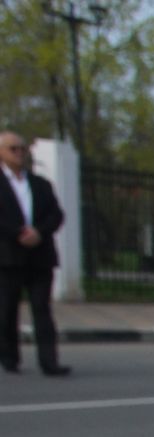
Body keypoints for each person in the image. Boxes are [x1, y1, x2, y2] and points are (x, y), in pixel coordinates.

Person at [0, 130, 69, 376]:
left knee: (42, 309)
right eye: (13, 149)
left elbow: (57, 215)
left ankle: (49, 361)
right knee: (7, 309)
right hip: (8, 257)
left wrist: (38, 232)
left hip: (40, 256)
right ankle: (9, 357)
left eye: (22, 148)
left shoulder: (40, 184)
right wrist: (19, 233)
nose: (19, 153)